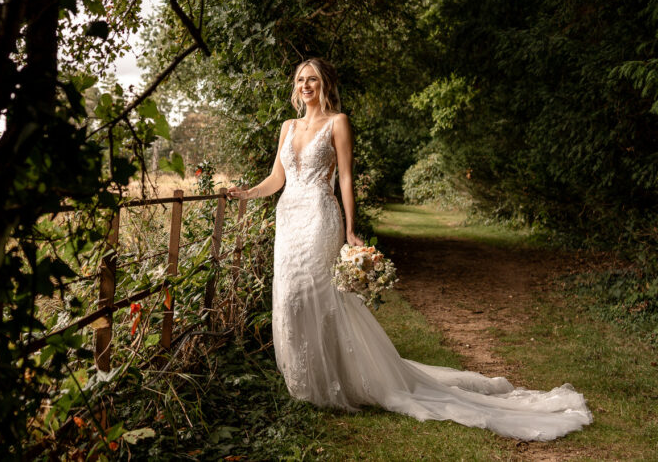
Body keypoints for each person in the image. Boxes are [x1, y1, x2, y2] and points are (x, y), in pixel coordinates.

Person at [228, 58, 591, 441]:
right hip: (288, 219)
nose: (306, 85)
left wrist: (351, 228)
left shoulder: (338, 122)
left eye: (312, 79)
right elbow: (276, 178)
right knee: (291, 296)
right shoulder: (288, 126)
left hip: (319, 217)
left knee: (321, 295)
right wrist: (247, 192)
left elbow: (346, 178)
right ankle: (305, 383)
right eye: (301, 79)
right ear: (295, 86)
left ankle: (336, 381)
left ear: (325, 84)